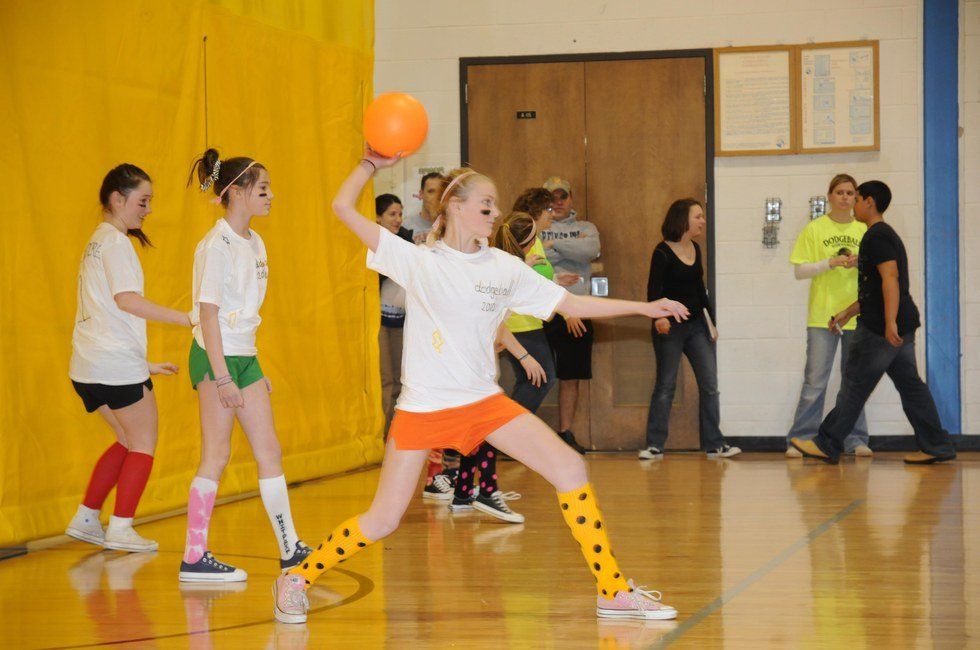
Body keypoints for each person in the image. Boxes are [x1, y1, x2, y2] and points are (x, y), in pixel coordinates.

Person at [271, 151, 688, 624]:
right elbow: (342, 208)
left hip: (482, 402)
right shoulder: (418, 261)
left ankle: (612, 590)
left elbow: (571, 303)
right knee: (383, 519)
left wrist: (645, 307)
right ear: (455, 207)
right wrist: (369, 164)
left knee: (570, 466)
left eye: (495, 205)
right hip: (424, 408)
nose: (495, 212)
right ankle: (296, 579)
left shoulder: (503, 268)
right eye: (486, 205)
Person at [179, 149, 311, 583]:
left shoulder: (255, 242)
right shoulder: (215, 245)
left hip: (245, 357)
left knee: (269, 450)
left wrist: (251, 367)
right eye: (263, 189)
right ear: (235, 193)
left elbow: (245, 313)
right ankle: (194, 557)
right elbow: (209, 314)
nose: (271, 196)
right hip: (214, 356)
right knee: (216, 454)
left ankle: (290, 548)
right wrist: (222, 378)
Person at [66, 164, 191, 553]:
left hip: (87, 366)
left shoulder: (97, 240)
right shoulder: (117, 244)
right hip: (114, 366)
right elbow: (127, 301)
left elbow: (104, 310)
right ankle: (121, 527)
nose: (148, 210)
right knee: (143, 443)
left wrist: (144, 364)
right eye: (143, 201)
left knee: (125, 438)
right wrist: (188, 318)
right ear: (117, 199)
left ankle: (87, 517)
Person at [790, 181, 956, 465]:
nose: (853, 204)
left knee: (855, 384)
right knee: (910, 386)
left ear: (869, 202)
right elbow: (876, 288)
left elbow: (890, 279)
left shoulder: (877, 236)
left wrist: (889, 322)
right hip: (898, 323)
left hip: (882, 328)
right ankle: (937, 446)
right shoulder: (879, 234)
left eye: (857, 198)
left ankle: (827, 444)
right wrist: (849, 312)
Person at [640, 199, 740, 460]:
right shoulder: (662, 252)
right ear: (683, 219)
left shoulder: (695, 248)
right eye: (698, 216)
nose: (702, 221)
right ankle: (654, 445)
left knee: (710, 385)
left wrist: (711, 323)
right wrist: (659, 318)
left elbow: (699, 290)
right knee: (666, 386)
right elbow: (654, 290)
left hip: (697, 327)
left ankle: (714, 444)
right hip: (670, 327)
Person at [786, 174, 871, 458]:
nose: (845, 197)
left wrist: (860, 263)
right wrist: (830, 263)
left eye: (850, 193)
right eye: (840, 192)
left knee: (854, 381)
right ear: (830, 196)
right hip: (822, 316)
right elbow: (800, 271)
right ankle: (801, 438)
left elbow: (879, 269)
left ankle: (855, 439)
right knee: (815, 381)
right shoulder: (815, 229)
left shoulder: (864, 229)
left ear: (856, 197)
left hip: (857, 316)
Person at [539, 177, 600, 454]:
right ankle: (525, 437)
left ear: (571, 198)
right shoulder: (537, 227)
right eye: (552, 198)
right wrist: (570, 249)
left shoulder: (586, 228)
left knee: (571, 376)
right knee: (536, 376)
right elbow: (538, 261)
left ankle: (565, 433)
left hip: (579, 310)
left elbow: (590, 251)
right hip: (544, 312)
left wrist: (554, 246)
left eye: (563, 196)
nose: (558, 202)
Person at [375, 193, 412, 429]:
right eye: (392, 214)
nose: (398, 219)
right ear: (378, 218)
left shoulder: (406, 242)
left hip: (400, 322)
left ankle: (395, 433)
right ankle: (381, 434)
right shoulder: (372, 245)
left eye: (400, 214)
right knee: (385, 379)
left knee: (400, 380)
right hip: (379, 323)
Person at [401, 171, 443, 240]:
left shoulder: (449, 225)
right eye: (431, 191)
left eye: (440, 192)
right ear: (421, 194)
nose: (436, 196)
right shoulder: (406, 226)